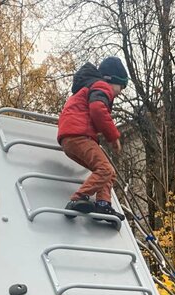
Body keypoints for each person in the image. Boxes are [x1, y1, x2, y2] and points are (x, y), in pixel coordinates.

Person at [56, 57, 130, 220]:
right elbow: (97, 110)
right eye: (121, 87)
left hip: (69, 139)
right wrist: (113, 136)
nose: (120, 93)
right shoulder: (101, 86)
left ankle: (103, 204)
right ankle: (78, 198)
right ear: (112, 80)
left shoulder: (87, 88)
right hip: (79, 136)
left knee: (108, 172)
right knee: (105, 169)